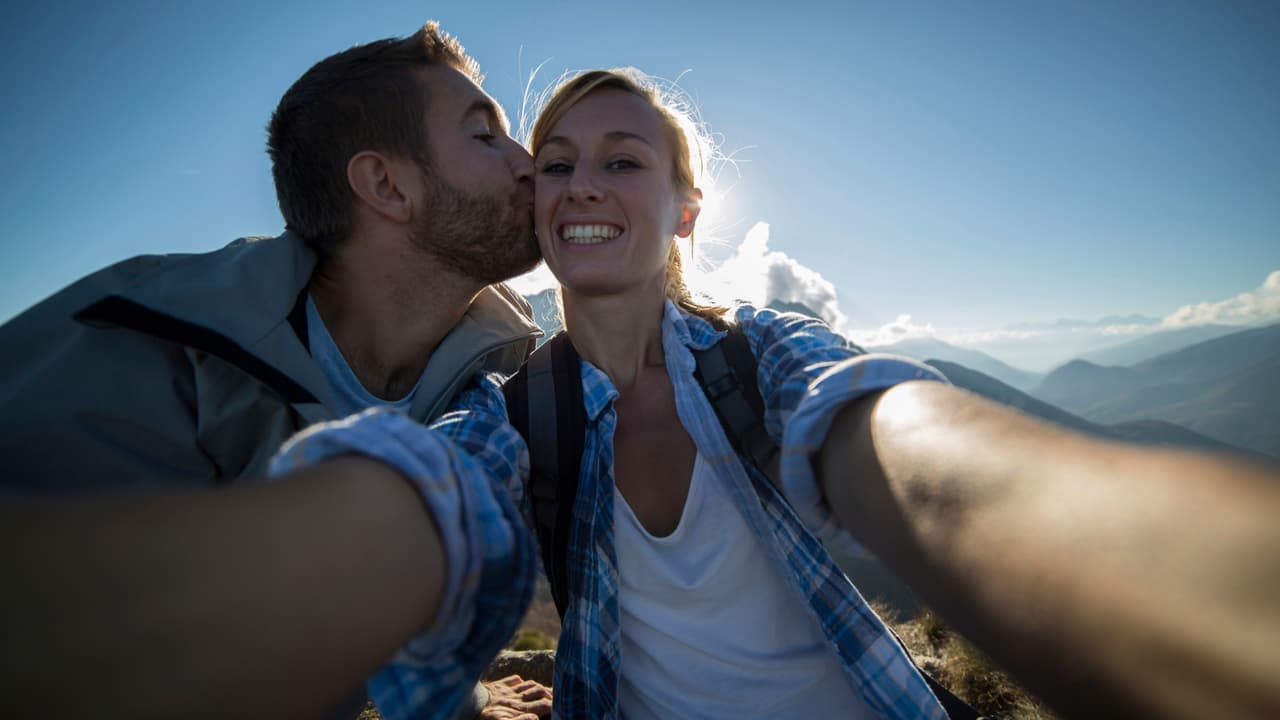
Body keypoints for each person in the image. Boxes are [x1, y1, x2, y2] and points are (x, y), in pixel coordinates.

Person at [268, 67, 1280, 719]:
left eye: (622, 161)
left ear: (684, 211)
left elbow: (893, 437)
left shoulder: (761, 356)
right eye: (559, 163)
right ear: (533, 206)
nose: (579, 183)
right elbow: (427, 494)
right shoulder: (513, 411)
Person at [0, 21, 550, 720]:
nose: (529, 162)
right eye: (485, 135)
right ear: (385, 184)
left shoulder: (490, 364)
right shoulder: (145, 347)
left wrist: (456, 692)